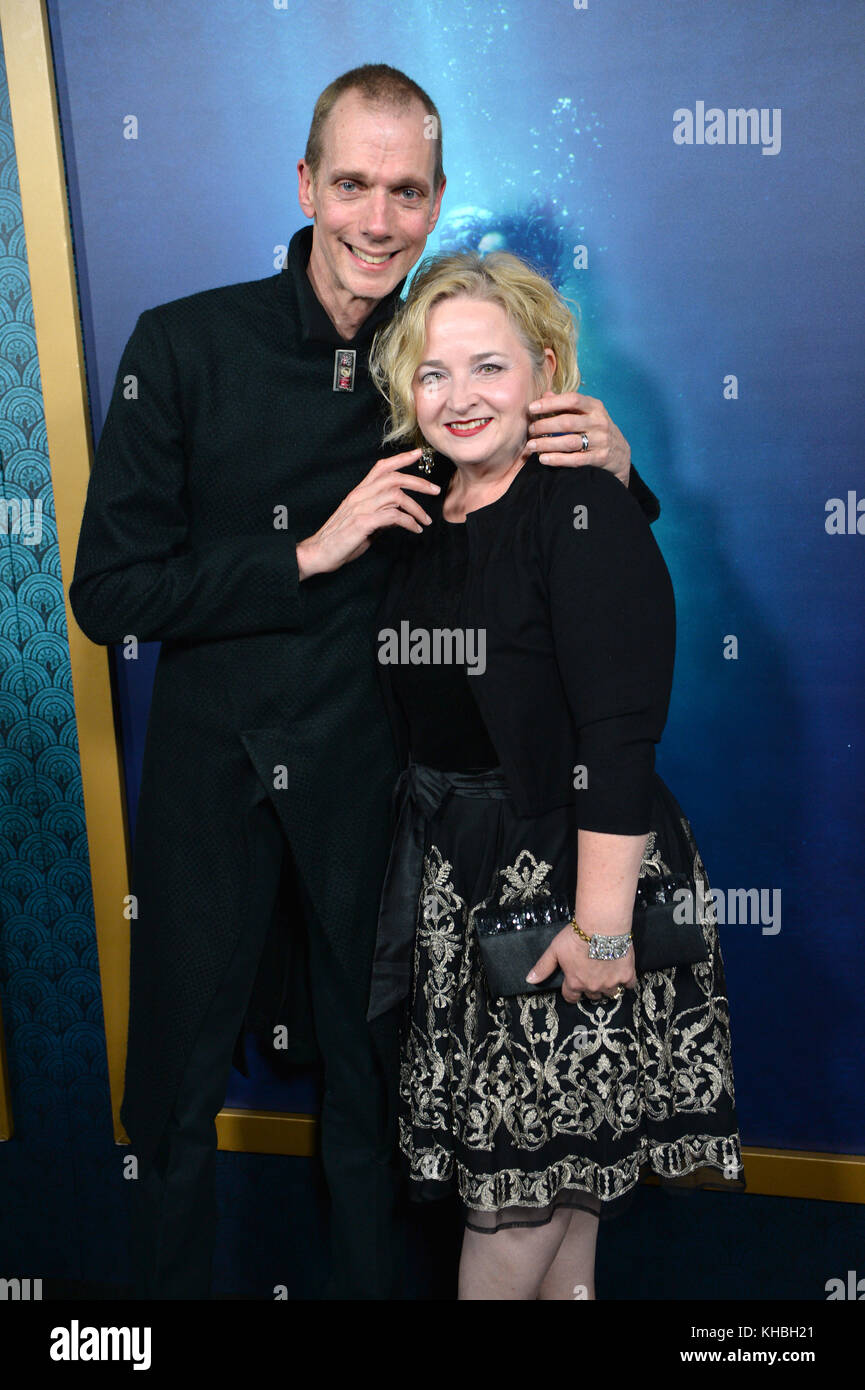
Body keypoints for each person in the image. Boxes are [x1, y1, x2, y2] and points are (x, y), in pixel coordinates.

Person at [69, 64, 658, 1301]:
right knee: (172, 1088)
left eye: (404, 191)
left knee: (370, 1082)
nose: (376, 218)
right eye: (352, 184)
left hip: (374, 785)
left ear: (435, 201)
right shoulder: (184, 343)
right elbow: (108, 594)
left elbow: (552, 541)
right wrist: (308, 550)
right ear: (305, 184)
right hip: (207, 773)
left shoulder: (438, 355)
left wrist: (615, 465)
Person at [364, 249, 746, 1300]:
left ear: (544, 369)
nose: (458, 396)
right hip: (463, 886)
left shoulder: (582, 507)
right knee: (561, 1199)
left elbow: (620, 735)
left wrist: (603, 930)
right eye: (432, 374)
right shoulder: (421, 513)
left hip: (567, 893)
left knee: (512, 1209)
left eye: (488, 367)